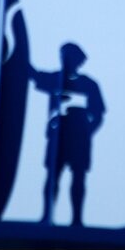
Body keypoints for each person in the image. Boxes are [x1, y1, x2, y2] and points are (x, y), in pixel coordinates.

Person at [30, 43, 106, 227]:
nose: (65, 60)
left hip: (79, 138)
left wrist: (87, 133)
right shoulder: (55, 79)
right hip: (58, 136)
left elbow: (99, 113)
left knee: (78, 177)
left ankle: (77, 218)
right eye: (63, 56)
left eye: (68, 56)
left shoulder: (88, 84)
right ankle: (47, 215)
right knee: (52, 176)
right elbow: (31, 74)